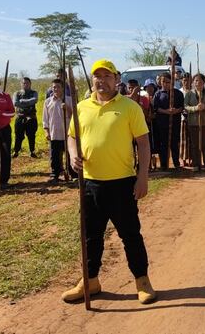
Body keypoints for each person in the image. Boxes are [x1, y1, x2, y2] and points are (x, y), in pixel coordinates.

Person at [62, 59, 156, 305]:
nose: (101, 81)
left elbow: (144, 144)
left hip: (122, 183)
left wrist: (142, 176)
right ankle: (90, 280)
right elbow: (72, 137)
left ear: (116, 79)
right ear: (92, 80)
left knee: (130, 235)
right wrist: (72, 154)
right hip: (91, 184)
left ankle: (142, 280)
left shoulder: (129, 107)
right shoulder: (82, 108)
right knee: (91, 236)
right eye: (97, 76)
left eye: (107, 76)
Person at [42, 79, 73, 183]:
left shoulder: (69, 100)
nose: (55, 89)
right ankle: (55, 174)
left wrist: (67, 108)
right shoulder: (48, 101)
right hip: (55, 133)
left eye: (58, 87)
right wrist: (46, 131)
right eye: (54, 87)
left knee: (70, 155)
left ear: (63, 88)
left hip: (68, 134)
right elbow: (45, 119)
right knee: (55, 155)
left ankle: (72, 173)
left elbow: (74, 117)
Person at [153, 72, 184, 171]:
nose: (165, 84)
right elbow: (156, 108)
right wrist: (166, 112)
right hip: (162, 123)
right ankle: (164, 164)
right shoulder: (158, 94)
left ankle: (176, 163)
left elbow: (182, 107)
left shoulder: (178, 93)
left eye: (167, 82)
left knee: (174, 143)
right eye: (163, 82)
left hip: (175, 122)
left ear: (171, 82)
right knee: (163, 144)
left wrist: (175, 111)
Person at [185, 74, 205, 171]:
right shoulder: (189, 94)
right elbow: (185, 106)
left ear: (204, 82)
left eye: (200, 81)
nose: (198, 83)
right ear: (193, 83)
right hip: (193, 122)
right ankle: (196, 164)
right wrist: (195, 108)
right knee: (195, 144)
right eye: (196, 81)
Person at [13, 77, 39, 159]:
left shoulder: (34, 92)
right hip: (20, 117)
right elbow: (15, 103)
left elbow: (34, 100)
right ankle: (16, 151)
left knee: (31, 135)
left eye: (27, 83)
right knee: (18, 135)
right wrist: (28, 103)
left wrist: (22, 101)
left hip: (31, 117)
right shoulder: (16, 93)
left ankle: (32, 151)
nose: (25, 85)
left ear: (30, 84)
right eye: (23, 83)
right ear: (21, 84)